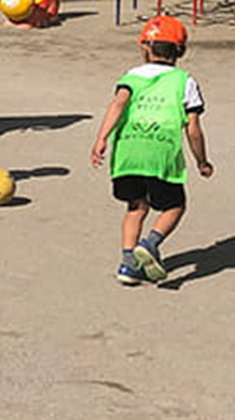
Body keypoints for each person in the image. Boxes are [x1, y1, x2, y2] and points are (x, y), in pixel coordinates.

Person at [89, 15, 213, 286]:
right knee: (175, 206)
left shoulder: (131, 76)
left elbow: (118, 104)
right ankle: (151, 242)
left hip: (128, 151)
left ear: (145, 47)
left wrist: (101, 138)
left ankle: (127, 264)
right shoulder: (185, 81)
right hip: (161, 153)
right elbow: (193, 129)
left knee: (136, 207)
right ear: (181, 50)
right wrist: (202, 161)